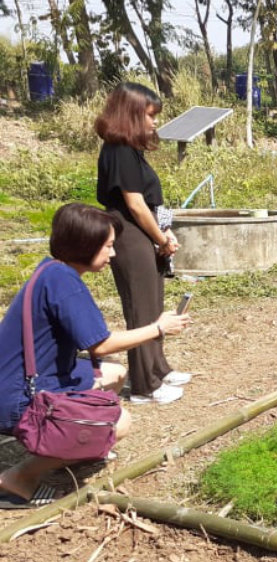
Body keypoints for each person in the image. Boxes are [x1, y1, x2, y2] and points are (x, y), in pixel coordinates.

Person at [0, 203, 190, 508]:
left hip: (20, 380)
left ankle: (67, 449)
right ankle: (20, 477)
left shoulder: (52, 270)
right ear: (84, 245)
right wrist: (159, 328)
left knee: (114, 374)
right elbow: (101, 345)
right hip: (19, 397)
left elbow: (93, 340)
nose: (113, 254)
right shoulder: (64, 283)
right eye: (109, 246)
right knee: (120, 423)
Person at [95, 82, 190, 404]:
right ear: (131, 114)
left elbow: (146, 205)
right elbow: (135, 204)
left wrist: (165, 234)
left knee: (152, 302)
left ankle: (158, 368)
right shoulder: (119, 149)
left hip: (142, 231)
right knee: (140, 309)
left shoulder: (129, 151)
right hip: (130, 232)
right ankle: (143, 385)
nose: (154, 123)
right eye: (149, 116)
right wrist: (161, 238)